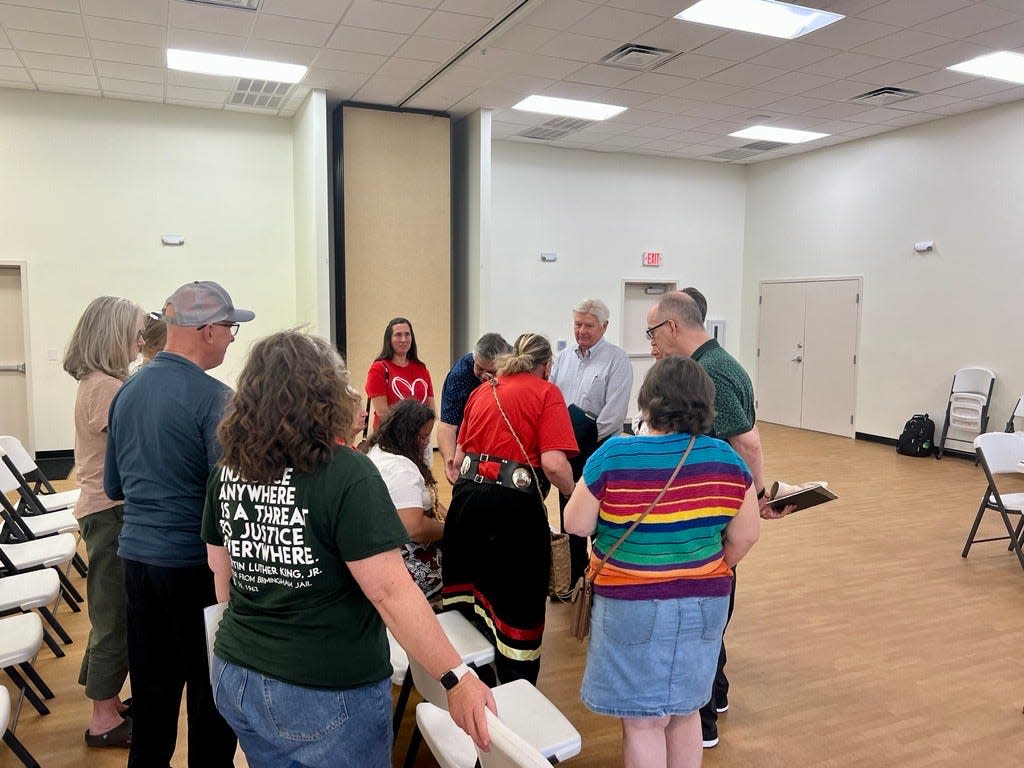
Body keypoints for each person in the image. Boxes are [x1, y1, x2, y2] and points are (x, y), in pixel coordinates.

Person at [201, 331, 494, 767]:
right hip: (322, 687)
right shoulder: (345, 475)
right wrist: (457, 677)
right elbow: (390, 593)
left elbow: (219, 570)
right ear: (327, 395)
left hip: (236, 672)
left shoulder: (229, 470)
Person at [564, 356, 760, 768]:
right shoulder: (726, 460)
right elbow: (746, 534)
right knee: (686, 711)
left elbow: (576, 522)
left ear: (648, 402)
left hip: (630, 603)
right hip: (705, 602)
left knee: (642, 722)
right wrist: (706, 566)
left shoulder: (615, 454)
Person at [104, 280, 253, 768]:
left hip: (138, 563)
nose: (233, 338)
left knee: (152, 696)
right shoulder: (216, 399)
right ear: (207, 330)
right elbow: (231, 501)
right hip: (194, 567)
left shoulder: (127, 393)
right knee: (211, 700)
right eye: (230, 328)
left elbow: (114, 487)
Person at [645, 290, 790, 750]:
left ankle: (701, 718)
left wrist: (758, 495)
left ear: (672, 327)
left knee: (702, 616)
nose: (650, 343)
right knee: (710, 608)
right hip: (719, 504)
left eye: (652, 332)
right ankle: (717, 696)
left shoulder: (710, 371)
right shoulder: (724, 364)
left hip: (713, 513)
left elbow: (747, 442)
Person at [442, 333, 577, 685]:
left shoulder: (482, 391)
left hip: (466, 506)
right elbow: (553, 464)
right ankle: (516, 692)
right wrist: (574, 494)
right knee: (517, 606)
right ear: (547, 366)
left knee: (471, 600)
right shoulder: (547, 393)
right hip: (512, 511)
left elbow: (457, 459)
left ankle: (473, 686)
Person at [63, 296, 142, 748]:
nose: (138, 338)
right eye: (133, 330)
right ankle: (103, 719)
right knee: (114, 613)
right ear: (113, 334)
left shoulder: (100, 382)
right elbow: (132, 451)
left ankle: (105, 699)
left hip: (103, 509)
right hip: (109, 511)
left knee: (112, 610)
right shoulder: (106, 388)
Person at [550, 298, 632, 589]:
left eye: (588, 325)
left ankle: (602, 579)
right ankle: (573, 578)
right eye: (577, 324)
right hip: (567, 452)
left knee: (600, 519)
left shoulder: (616, 360)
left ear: (604, 326)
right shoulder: (564, 358)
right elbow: (553, 400)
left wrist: (584, 441)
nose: (581, 331)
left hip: (598, 452)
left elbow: (613, 415)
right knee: (569, 517)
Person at [364, 399, 446, 600]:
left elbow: (425, 496)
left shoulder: (379, 451)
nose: (428, 443)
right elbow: (414, 529)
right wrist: (452, 529)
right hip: (409, 563)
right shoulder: (401, 469)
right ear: (405, 433)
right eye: (424, 436)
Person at [437, 333, 512, 484]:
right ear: (474, 356)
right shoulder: (459, 376)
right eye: (479, 367)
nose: (483, 375)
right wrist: (449, 461)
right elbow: (447, 425)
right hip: (469, 449)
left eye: (491, 372)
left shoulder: (514, 369)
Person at [364, 317, 434, 433]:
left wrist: (422, 433)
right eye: (398, 335)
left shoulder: (421, 369)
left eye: (407, 334)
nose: (403, 339)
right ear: (389, 339)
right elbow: (382, 412)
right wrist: (408, 433)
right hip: (390, 438)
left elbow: (431, 409)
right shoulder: (379, 368)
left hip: (419, 438)